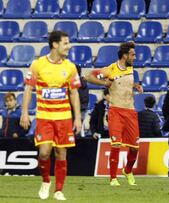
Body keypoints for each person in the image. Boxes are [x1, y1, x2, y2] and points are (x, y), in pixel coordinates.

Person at [20, 31, 82, 200]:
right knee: (44, 153)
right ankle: (46, 181)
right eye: (65, 43)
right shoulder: (37, 64)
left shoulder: (70, 67)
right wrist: (25, 113)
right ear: (55, 45)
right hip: (45, 117)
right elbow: (28, 89)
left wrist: (77, 118)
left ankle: (58, 190)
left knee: (61, 154)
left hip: (64, 118)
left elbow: (74, 93)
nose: (68, 46)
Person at [85, 42, 143, 186]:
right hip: (116, 111)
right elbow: (88, 76)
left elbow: (124, 84)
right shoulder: (110, 69)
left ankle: (128, 170)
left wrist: (135, 86)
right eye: (132, 54)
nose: (135, 57)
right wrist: (104, 83)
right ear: (125, 56)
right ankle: (113, 178)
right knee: (116, 145)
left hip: (130, 112)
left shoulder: (130, 69)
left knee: (134, 148)